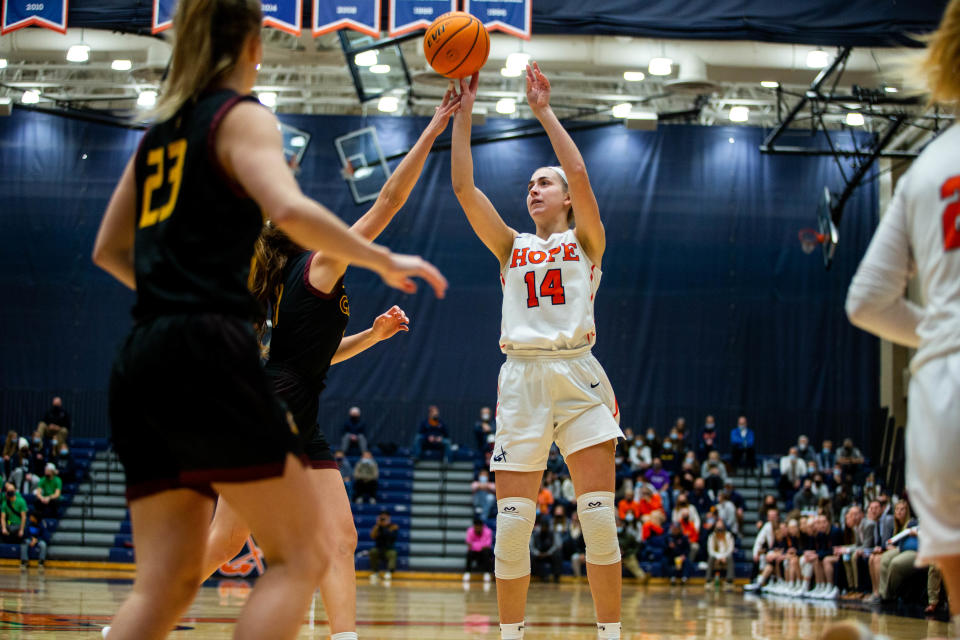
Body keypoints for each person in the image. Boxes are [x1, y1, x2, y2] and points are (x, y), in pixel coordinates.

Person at [90, 3, 447, 639]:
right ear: (254, 43)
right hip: (222, 362)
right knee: (297, 556)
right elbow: (300, 204)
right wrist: (381, 256)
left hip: (146, 358)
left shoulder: (162, 132)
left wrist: (176, 299)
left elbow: (110, 250)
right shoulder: (241, 118)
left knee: (173, 579)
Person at [197, 88, 459, 640]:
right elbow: (387, 202)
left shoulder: (298, 282)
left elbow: (316, 358)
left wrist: (375, 335)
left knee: (336, 537)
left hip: (295, 413)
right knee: (229, 543)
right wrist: (432, 131)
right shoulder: (320, 265)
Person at [452, 64, 624, 640]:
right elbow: (463, 190)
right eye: (529, 183)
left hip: (578, 373)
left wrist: (543, 111)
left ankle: (610, 634)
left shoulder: (587, 238)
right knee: (511, 524)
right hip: (522, 377)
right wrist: (463, 112)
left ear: (568, 199)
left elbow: (578, 169)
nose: (533, 188)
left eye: (543, 183)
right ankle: (510, 635)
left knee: (598, 519)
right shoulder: (511, 246)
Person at [529, 515, 563, 582]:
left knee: (558, 554)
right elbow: (531, 546)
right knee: (530, 555)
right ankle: (542, 576)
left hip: (549, 554)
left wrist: (548, 553)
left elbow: (557, 545)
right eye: (543, 526)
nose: (544, 528)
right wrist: (538, 553)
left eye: (545, 527)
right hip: (538, 554)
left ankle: (556, 576)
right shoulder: (535, 533)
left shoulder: (553, 532)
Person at [369, 510, 398, 581]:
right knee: (373, 551)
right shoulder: (377, 527)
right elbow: (372, 536)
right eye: (382, 518)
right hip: (379, 549)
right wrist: (378, 525)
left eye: (385, 518)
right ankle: (375, 572)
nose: (383, 520)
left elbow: (392, 536)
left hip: (389, 549)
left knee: (393, 553)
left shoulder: (393, 526)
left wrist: (385, 526)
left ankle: (389, 572)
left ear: (389, 518)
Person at [706, 518, 735, 588]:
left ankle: (729, 581)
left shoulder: (728, 536)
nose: (720, 531)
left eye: (721, 529)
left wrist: (723, 557)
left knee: (730, 557)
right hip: (716, 557)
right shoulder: (711, 536)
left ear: (724, 528)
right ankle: (708, 580)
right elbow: (710, 550)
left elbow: (730, 549)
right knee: (710, 558)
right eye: (718, 529)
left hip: (725, 557)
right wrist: (718, 557)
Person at [464, 517, 494, 582]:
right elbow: (468, 543)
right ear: (474, 526)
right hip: (475, 552)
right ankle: (467, 572)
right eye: (475, 527)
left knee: (487, 552)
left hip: (483, 552)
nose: (477, 528)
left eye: (479, 527)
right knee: (469, 553)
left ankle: (487, 573)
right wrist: (480, 545)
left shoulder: (488, 531)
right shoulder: (470, 531)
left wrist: (474, 545)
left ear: (482, 526)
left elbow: (487, 545)